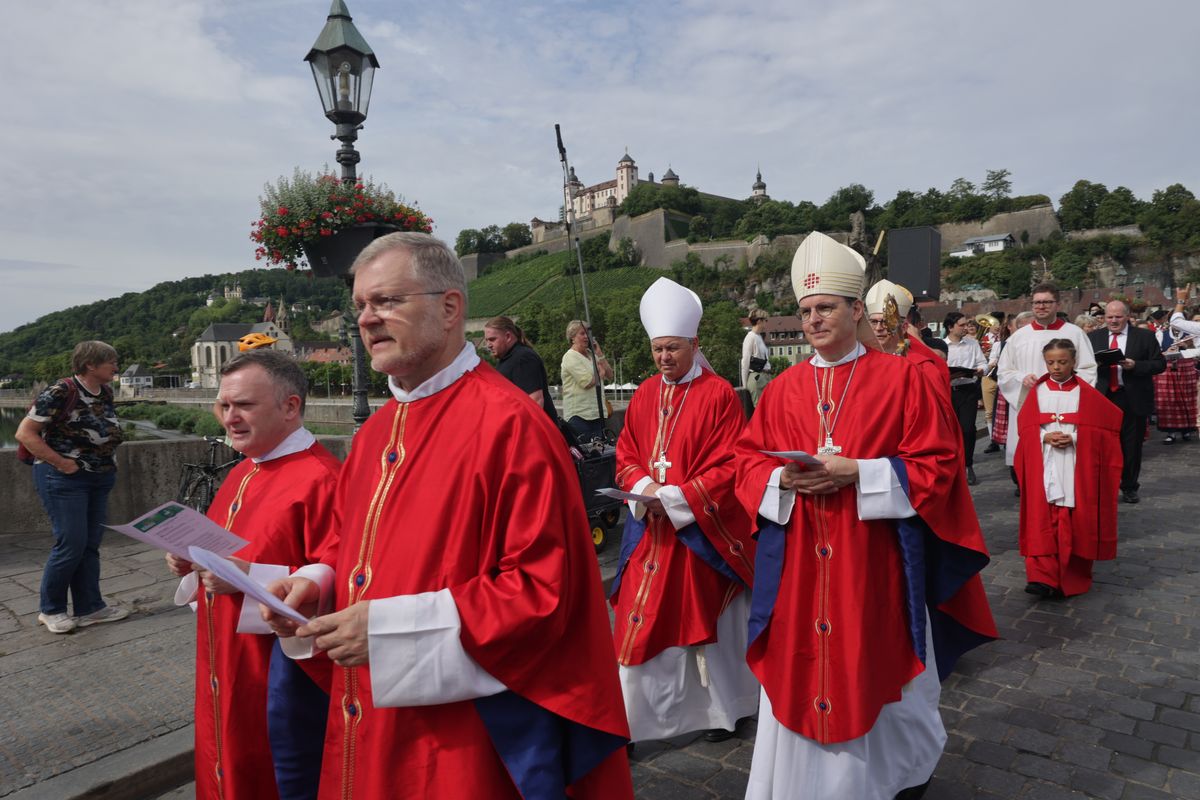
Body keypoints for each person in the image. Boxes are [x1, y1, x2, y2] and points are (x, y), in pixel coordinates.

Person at [262, 232, 633, 799]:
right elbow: (354, 545)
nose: (367, 318)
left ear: (450, 307)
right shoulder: (376, 433)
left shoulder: (511, 425)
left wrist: (386, 630)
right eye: (361, 305)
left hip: (462, 734)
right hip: (370, 710)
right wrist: (317, 583)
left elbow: (541, 590)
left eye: (387, 300)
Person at [734, 232, 997, 800]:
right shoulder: (780, 391)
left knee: (876, 663)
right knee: (802, 667)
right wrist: (781, 477)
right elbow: (745, 463)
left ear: (857, 310)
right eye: (805, 311)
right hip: (802, 565)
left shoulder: (902, 379)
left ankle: (891, 778)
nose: (813, 320)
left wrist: (862, 473)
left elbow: (937, 464)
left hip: (873, 559)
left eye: (825, 307)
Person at [164, 350, 341, 800]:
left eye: (244, 405)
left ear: (290, 407)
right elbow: (227, 555)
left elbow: (341, 581)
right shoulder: (242, 471)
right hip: (225, 657)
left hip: (277, 675)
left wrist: (251, 578)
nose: (230, 418)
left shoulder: (323, 479)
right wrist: (191, 563)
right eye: (224, 406)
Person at [610, 277, 759, 745]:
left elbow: (732, 462)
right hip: (652, 532)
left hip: (699, 536)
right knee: (638, 621)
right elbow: (626, 453)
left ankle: (726, 711)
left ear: (694, 344)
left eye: (672, 348)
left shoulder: (719, 396)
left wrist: (673, 499)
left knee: (710, 622)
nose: (663, 359)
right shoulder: (644, 393)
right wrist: (646, 487)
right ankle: (632, 723)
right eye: (657, 350)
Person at [16, 341, 129, 635]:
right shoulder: (61, 391)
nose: (116, 367)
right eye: (111, 362)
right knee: (71, 544)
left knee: (89, 545)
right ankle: (50, 609)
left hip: (99, 477)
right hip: (64, 479)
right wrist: (63, 464)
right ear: (91, 365)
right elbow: (25, 433)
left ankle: (90, 607)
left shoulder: (104, 391)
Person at [1015, 339, 1122, 598]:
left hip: (1076, 464)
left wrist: (1074, 438)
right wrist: (1044, 437)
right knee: (1043, 517)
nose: (1056, 367)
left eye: (1062, 362)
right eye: (1050, 362)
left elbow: (1108, 429)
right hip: (1045, 461)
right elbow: (1025, 428)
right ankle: (1042, 576)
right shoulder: (1037, 392)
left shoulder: (1086, 394)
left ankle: (1072, 575)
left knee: (1076, 519)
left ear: (1073, 362)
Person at [997, 283, 1097, 472]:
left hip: (1065, 405)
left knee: (1065, 464)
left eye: (1047, 302)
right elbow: (1004, 372)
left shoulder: (1074, 333)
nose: (1041, 306)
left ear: (1057, 305)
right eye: (1037, 303)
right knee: (1030, 464)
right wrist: (1021, 378)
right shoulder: (1018, 337)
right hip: (1029, 402)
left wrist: (1069, 388)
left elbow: (1088, 369)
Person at [1087, 300, 1165, 504]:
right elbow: (1082, 365)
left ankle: (1130, 486)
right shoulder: (1093, 337)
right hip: (1103, 396)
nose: (1113, 321)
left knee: (1131, 445)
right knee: (1101, 446)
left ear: (1127, 316)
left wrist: (1135, 365)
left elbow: (1159, 364)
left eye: (1118, 317)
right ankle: (1104, 486)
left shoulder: (1144, 336)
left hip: (1132, 396)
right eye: (1109, 317)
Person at [483, 315, 557, 422]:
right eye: (486, 340)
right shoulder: (508, 359)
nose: (488, 345)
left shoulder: (523, 358)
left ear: (508, 336)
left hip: (535, 433)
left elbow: (535, 401)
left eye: (492, 339)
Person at [942, 312, 988, 485]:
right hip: (948, 390)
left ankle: (968, 464)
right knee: (949, 430)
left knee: (968, 429)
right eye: (961, 325)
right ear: (950, 327)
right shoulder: (942, 345)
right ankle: (952, 465)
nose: (965, 328)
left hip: (968, 389)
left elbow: (982, 362)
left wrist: (981, 370)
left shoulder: (972, 343)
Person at [561, 319, 614, 443]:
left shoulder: (592, 355)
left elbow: (610, 375)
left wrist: (600, 354)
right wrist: (600, 373)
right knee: (587, 454)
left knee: (600, 453)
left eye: (588, 334)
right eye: (582, 333)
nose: (586, 337)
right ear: (572, 337)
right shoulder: (570, 357)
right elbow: (587, 382)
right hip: (580, 416)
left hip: (597, 413)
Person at [1151, 308, 1198, 443]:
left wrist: (1187, 347)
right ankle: (1171, 432)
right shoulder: (1161, 333)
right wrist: (1166, 351)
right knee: (1169, 399)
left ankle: (1187, 430)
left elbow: (1197, 352)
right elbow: (1156, 352)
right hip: (1167, 368)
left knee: (1188, 399)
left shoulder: (1192, 333)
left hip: (1186, 367)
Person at [741, 308, 772, 407]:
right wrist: (745, 385)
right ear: (759, 321)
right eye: (765, 320)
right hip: (757, 378)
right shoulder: (750, 337)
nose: (766, 323)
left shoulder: (758, 336)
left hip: (764, 377)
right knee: (761, 411)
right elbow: (745, 361)